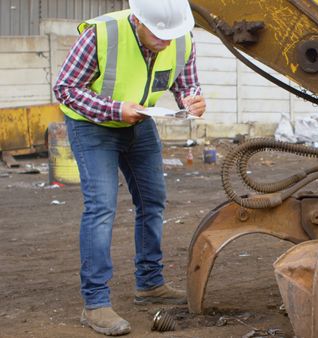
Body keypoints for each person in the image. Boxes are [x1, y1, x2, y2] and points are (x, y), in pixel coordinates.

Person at [53, 0, 205, 335]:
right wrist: (114, 109)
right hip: (92, 126)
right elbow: (64, 88)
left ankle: (149, 284)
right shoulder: (101, 34)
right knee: (101, 207)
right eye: (158, 34)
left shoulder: (181, 37)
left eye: (172, 34)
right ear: (137, 19)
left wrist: (192, 99)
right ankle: (95, 304)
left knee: (153, 201)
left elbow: (185, 84)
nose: (166, 41)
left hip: (139, 123)